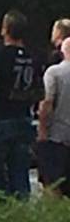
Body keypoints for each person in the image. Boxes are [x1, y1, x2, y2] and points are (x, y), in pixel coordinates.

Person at [0, 10, 44, 196]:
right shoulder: (33, 57)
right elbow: (40, 91)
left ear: (5, 29)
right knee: (20, 172)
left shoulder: (0, 54)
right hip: (23, 117)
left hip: (2, 117)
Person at [36, 38, 70, 195]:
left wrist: (42, 130)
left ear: (63, 51)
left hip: (57, 137)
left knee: (52, 184)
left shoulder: (54, 72)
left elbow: (47, 102)